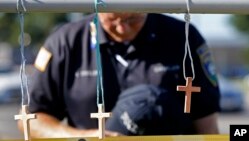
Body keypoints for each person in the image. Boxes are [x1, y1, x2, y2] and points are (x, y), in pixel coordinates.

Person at [17, 13, 220, 138]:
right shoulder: (66, 42)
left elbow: (206, 121)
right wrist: (84, 137)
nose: (122, 27)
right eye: (112, 19)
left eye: (132, 19)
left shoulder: (183, 37)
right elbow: (31, 119)